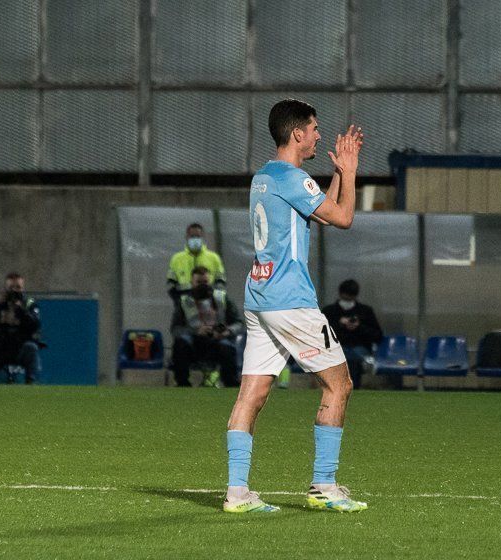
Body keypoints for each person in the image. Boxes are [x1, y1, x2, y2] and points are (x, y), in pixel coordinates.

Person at [224, 98, 367, 514]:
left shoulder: (265, 177)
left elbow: (320, 210)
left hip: (259, 296)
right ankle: (324, 484)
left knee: (252, 392)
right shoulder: (293, 177)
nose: (320, 135)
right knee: (339, 384)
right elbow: (341, 219)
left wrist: (338, 173)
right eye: (315, 128)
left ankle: (237, 493)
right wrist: (352, 171)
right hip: (291, 300)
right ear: (297, 133)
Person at [170, 266, 243, 388]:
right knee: (180, 343)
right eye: (199, 282)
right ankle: (182, 384)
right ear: (191, 282)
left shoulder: (222, 298)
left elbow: (239, 323)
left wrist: (227, 331)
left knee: (228, 348)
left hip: (218, 341)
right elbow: (175, 329)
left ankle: (231, 385)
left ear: (210, 282)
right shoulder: (184, 302)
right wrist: (196, 331)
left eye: (205, 282)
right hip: (194, 343)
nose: (202, 285)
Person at [321, 279, 383, 389]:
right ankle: (350, 388)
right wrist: (339, 324)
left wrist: (359, 327)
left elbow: (377, 335)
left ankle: (340, 388)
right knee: (346, 357)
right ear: (340, 294)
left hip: (359, 348)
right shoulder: (329, 312)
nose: (347, 301)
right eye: (345, 298)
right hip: (337, 348)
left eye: (350, 299)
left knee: (351, 358)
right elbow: (321, 335)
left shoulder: (365, 311)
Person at [167, 223, 226, 301]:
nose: (195, 239)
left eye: (198, 236)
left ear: (203, 238)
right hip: (183, 304)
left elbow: (220, 282)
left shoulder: (214, 258)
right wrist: (179, 301)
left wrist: (215, 301)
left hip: (209, 304)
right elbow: (171, 285)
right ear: (186, 237)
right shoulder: (176, 259)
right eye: (192, 236)